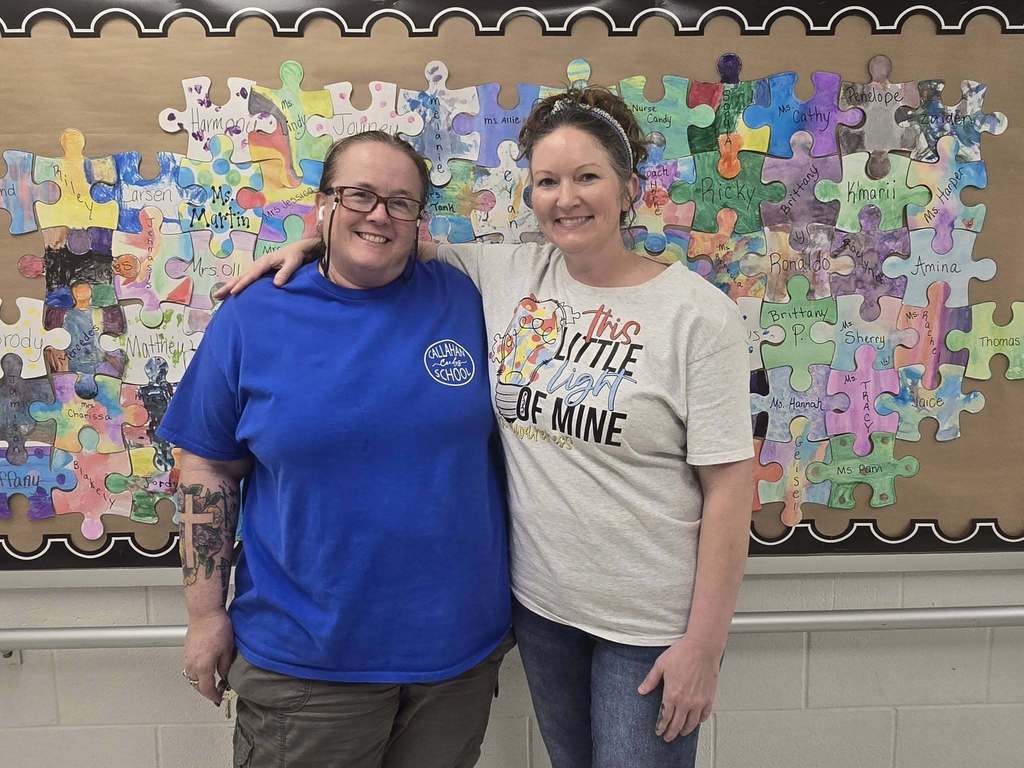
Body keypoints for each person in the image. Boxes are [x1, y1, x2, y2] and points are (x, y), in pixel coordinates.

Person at [222, 86, 754, 768]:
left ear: (629, 188)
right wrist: (309, 239)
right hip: (541, 608)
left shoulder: (697, 316)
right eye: (547, 181)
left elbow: (731, 486)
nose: (567, 198)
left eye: (587, 176)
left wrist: (704, 646)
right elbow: (384, 237)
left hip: (647, 624)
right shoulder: (509, 276)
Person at [157, 131, 513, 768]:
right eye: (359, 195)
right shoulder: (253, 314)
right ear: (322, 204)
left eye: (400, 202)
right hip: (306, 665)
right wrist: (204, 614)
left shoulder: (472, 299)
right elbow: (207, 465)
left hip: (454, 660)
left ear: (418, 219)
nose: (379, 214)